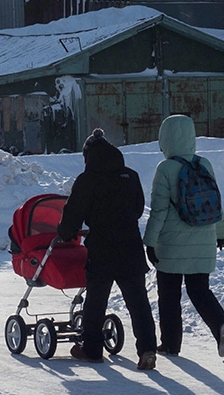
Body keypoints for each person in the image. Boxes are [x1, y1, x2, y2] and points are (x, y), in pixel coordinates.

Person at [56, 128, 158, 371]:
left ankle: (92, 350)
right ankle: (147, 349)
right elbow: (137, 209)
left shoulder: (87, 180)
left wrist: (65, 233)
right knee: (138, 302)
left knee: (96, 300)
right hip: (131, 246)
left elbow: (72, 216)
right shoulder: (130, 176)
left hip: (102, 247)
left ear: (88, 156)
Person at [142, 114, 224, 358]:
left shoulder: (165, 169)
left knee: (169, 295)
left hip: (171, 246)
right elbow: (216, 203)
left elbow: (159, 211)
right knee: (199, 290)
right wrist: (222, 232)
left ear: (166, 139)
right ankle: (221, 325)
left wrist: (149, 242)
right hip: (204, 240)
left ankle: (171, 344)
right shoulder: (204, 165)